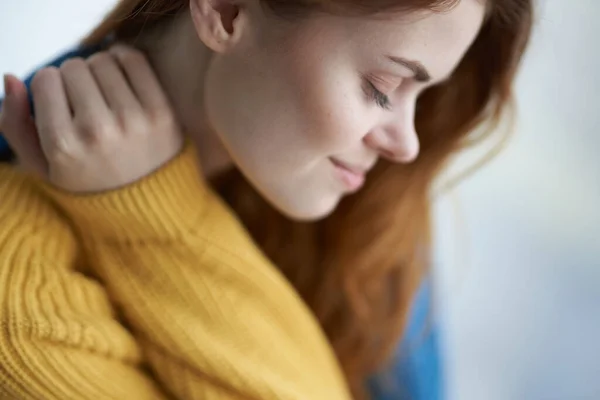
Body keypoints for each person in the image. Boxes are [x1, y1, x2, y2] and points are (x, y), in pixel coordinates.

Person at [0, 0, 532, 399]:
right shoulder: (16, 272)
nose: (406, 142)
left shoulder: (370, 211)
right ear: (227, 12)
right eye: (382, 86)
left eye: (427, 92)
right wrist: (156, 214)